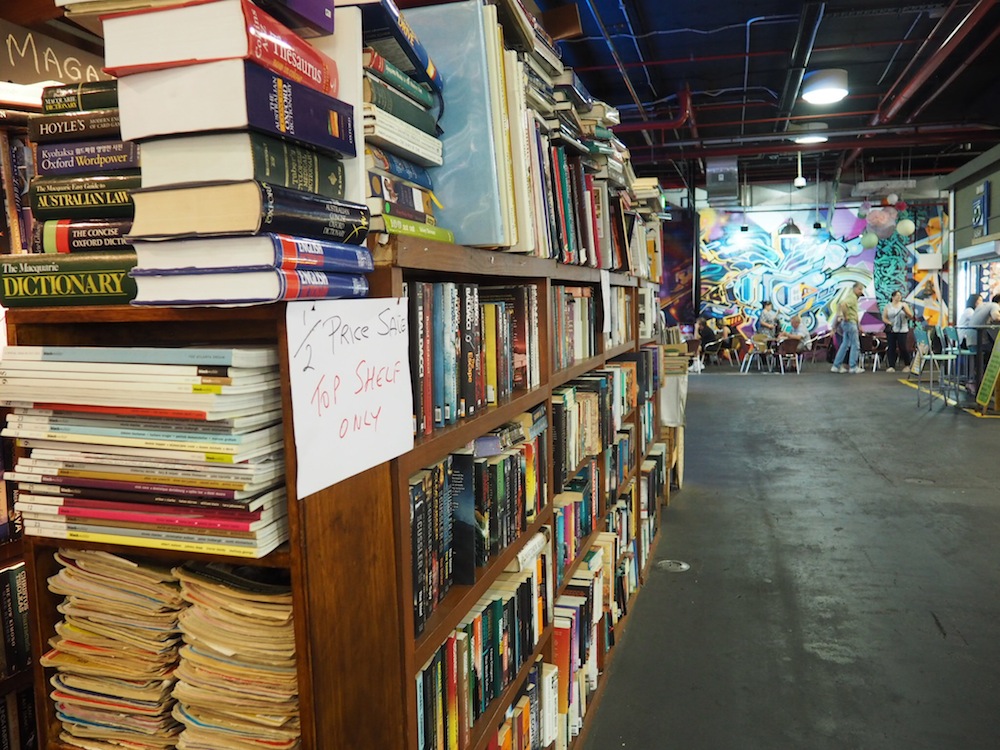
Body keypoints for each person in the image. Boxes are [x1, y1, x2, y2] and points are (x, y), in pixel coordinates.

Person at [831, 282, 864, 374]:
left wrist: (859, 324)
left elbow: (843, 306)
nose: (861, 292)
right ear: (855, 288)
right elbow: (843, 305)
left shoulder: (852, 297)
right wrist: (846, 317)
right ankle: (853, 367)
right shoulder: (852, 297)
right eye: (860, 289)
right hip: (850, 323)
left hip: (849, 323)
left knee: (845, 344)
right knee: (855, 345)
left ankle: (836, 365)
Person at [881, 290, 912, 372]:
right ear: (893, 297)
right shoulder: (888, 306)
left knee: (903, 346)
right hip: (892, 330)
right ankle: (891, 365)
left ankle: (907, 364)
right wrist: (889, 322)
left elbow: (910, 316)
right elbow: (884, 317)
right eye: (897, 296)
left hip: (902, 329)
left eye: (900, 295)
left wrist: (905, 310)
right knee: (891, 347)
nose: (899, 297)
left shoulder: (904, 305)